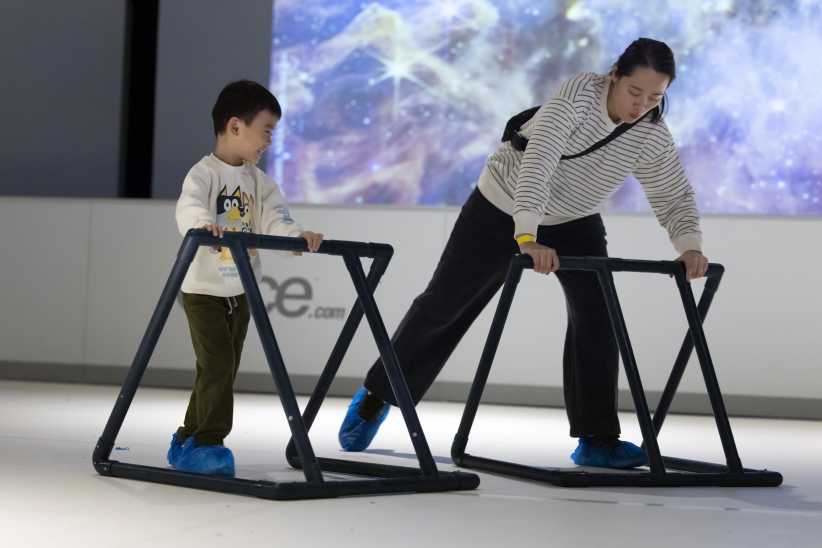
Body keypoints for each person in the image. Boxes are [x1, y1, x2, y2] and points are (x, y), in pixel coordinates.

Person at [338, 38, 709, 469]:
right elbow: (539, 163)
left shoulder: (650, 134)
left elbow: (674, 195)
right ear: (614, 75)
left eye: (655, 97)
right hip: (504, 202)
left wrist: (690, 247)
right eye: (634, 92)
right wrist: (527, 236)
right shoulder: (575, 99)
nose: (641, 105)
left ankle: (596, 439)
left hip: (574, 217)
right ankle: (379, 393)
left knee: (598, 315)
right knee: (446, 304)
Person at [169, 80, 324, 476]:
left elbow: (277, 219)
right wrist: (204, 225)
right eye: (266, 131)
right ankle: (209, 442)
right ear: (236, 127)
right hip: (204, 290)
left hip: (242, 290)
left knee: (219, 368)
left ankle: (187, 438)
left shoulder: (260, 182)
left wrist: (296, 236)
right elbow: (188, 209)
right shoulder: (203, 174)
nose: (270, 141)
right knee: (218, 364)